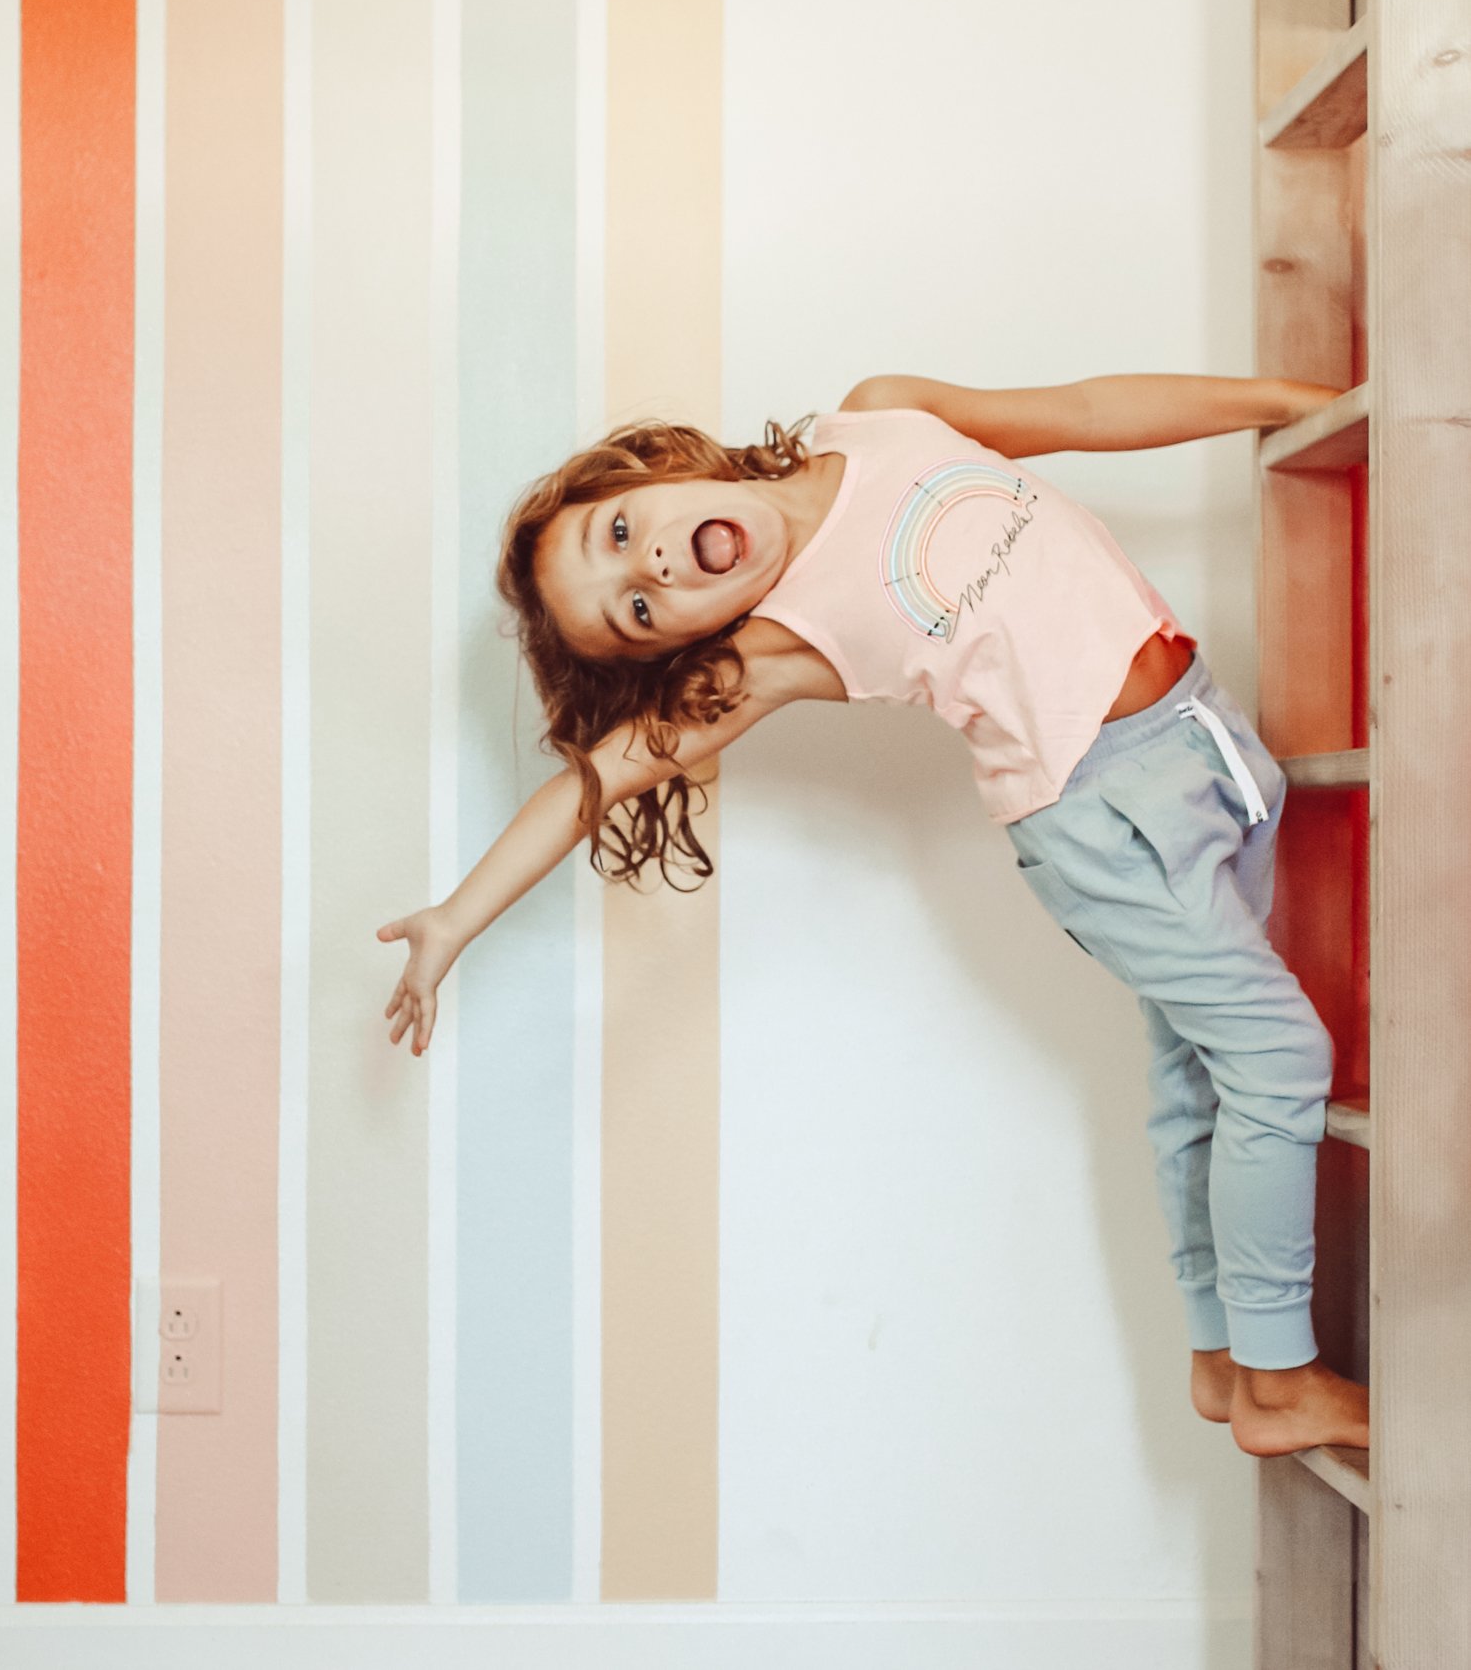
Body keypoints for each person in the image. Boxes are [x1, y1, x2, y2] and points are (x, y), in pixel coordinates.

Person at [377, 369, 1371, 1458]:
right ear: (680, 647)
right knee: (1274, 1054)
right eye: (637, 610)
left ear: (659, 466)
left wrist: (1282, 397)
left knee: (1199, 1069)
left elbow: (1082, 415)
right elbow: (594, 780)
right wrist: (452, 918)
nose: (648, 566)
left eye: (618, 532)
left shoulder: (882, 413)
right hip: (1096, 820)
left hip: (1196, 735)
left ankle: (1221, 1352)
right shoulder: (772, 650)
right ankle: (1278, 1376)